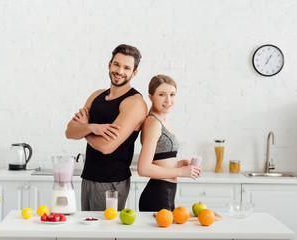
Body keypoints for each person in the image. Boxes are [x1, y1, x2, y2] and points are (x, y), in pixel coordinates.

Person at [65, 44, 147, 211]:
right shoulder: (97, 95)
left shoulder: (135, 103)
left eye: (126, 67)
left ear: (134, 73)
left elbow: (106, 146)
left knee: (104, 234)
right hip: (88, 178)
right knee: (88, 233)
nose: (120, 71)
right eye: (117, 64)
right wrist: (94, 127)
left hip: (111, 183)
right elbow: (70, 131)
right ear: (109, 65)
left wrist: (85, 127)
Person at [137, 75, 201, 212]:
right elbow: (143, 169)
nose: (168, 100)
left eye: (172, 94)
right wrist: (181, 172)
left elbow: (160, 162)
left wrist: (179, 164)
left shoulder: (161, 121)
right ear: (151, 97)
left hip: (166, 193)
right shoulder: (153, 123)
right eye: (162, 94)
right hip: (157, 194)